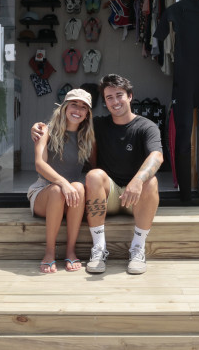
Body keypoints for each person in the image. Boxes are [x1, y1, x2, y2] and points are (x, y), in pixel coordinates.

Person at [33, 74, 163, 275]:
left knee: (150, 181)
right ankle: (98, 249)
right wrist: (38, 126)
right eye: (109, 98)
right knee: (89, 178)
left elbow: (157, 156)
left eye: (119, 95)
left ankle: (137, 248)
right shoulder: (96, 126)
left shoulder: (145, 127)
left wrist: (138, 180)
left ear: (130, 96)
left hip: (135, 196)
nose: (115, 101)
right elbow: (59, 136)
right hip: (97, 194)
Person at [27, 88, 95, 273]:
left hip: (71, 197)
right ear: (64, 107)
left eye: (83, 107)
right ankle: (49, 252)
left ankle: (70, 251)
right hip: (45, 192)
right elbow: (40, 164)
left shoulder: (87, 138)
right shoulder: (45, 130)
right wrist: (63, 183)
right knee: (58, 190)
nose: (78, 109)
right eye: (74, 104)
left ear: (87, 113)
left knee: (79, 187)